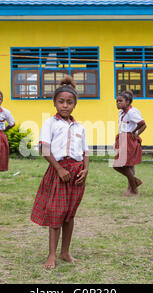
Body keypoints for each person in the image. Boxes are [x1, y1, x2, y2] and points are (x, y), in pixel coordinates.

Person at [31, 76, 89, 269]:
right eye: (61, 102)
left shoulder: (80, 127)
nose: (65, 105)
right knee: (56, 213)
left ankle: (65, 252)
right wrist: (59, 169)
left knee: (69, 215)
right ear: (55, 103)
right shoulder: (50, 123)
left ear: (75, 104)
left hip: (77, 173)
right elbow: (44, 148)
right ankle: (51, 255)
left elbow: (85, 152)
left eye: (69, 102)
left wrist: (86, 170)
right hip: (58, 171)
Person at [113, 90, 146, 196]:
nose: (118, 103)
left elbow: (142, 124)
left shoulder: (132, 112)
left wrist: (135, 133)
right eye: (117, 101)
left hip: (128, 139)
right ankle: (133, 184)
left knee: (119, 164)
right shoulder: (121, 112)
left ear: (127, 102)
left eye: (120, 101)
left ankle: (133, 188)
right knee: (126, 165)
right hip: (122, 137)